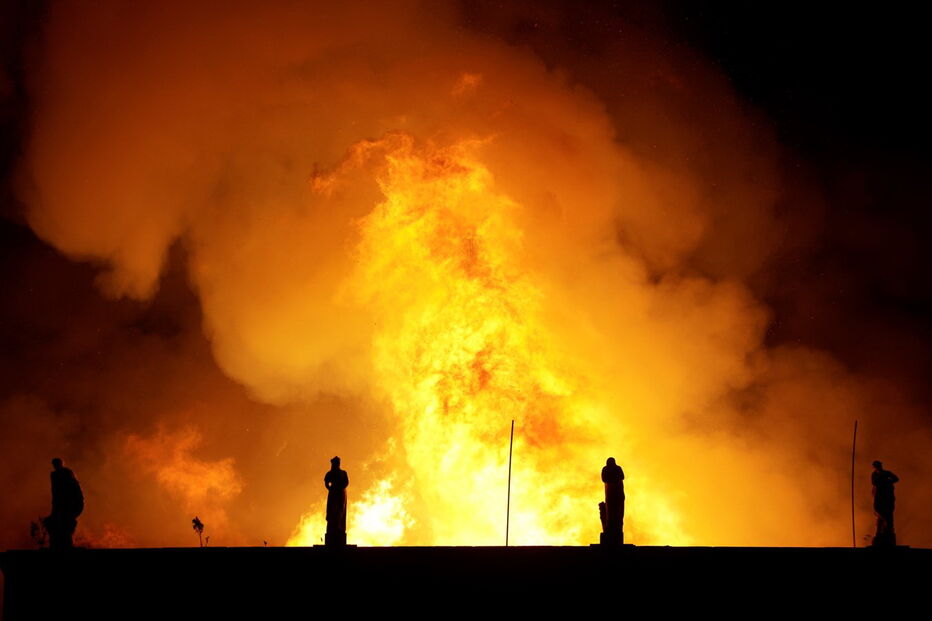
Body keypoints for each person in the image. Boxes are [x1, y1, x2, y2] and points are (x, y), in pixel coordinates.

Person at [43, 458, 84, 549]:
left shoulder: (66, 474)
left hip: (71, 504)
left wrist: (72, 505)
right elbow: (55, 494)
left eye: (57, 464)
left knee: (64, 522)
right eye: (54, 464)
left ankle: (65, 544)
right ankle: (59, 544)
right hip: (65, 504)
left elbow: (70, 492)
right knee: (55, 522)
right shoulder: (55, 475)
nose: (55, 466)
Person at [871, 460, 899, 546]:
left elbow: (896, 479)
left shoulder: (887, 473)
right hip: (879, 497)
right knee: (879, 514)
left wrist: (888, 481)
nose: (878, 467)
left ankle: (888, 531)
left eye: (879, 465)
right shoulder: (874, 474)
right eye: (876, 466)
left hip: (887, 497)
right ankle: (879, 532)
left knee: (888, 515)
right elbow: (874, 482)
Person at [324, 456, 349, 545]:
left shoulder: (343, 473)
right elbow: (326, 483)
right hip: (333, 494)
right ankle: (332, 528)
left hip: (341, 494)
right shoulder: (330, 473)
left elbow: (346, 482)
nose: (337, 464)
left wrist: (340, 488)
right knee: (332, 512)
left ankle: (339, 528)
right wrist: (330, 488)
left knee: (340, 511)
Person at [600, 457, 625, 545]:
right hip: (610, 495)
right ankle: (609, 527)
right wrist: (613, 479)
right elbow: (604, 479)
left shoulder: (618, 468)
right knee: (610, 513)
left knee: (618, 514)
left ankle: (617, 528)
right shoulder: (605, 469)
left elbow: (622, 476)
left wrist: (613, 479)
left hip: (618, 495)